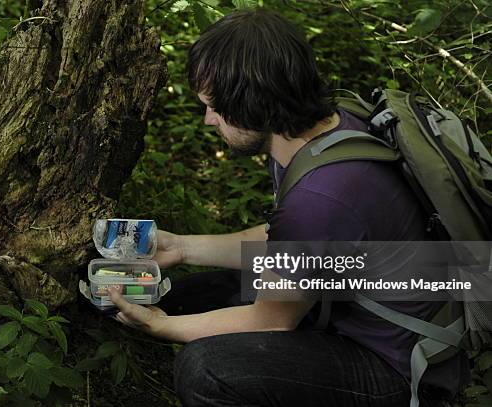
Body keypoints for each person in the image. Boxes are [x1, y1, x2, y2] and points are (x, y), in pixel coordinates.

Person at [107, 8, 469, 407]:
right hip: (346, 303)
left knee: (208, 369)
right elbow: (293, 246)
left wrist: (161, 327)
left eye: (214, 106)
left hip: (394, 365)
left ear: (252, 101)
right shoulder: (327, 132)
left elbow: (273, 320)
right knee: (177, 295)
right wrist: (183, 247)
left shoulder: (323, 195)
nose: (209, 120)